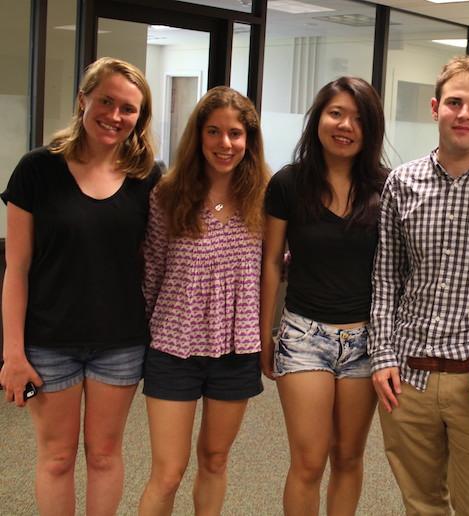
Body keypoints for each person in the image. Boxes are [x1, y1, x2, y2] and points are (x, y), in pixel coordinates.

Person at [0, 57, 158, 515]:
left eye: (128, 109)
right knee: (56, 458)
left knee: (105, 456)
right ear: (83, 100)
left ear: (139, 117)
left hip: (121, 342)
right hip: (47, 342)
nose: (114, 116)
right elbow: (17, 268)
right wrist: (12, 353)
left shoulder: (148, 176)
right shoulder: (37, 169)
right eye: (105, 101)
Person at [369, 55, 469, 516]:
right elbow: (385, 278)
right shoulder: (401, 182)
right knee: (421, 504)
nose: (464, 114)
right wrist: (381, 356)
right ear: (435, 107)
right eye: (454, 102)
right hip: (407, 378)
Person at [138, 86, 270, 515]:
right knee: (169, 472)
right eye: (213, 132)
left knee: (215, 460)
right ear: (198, 136)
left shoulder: (265, 201)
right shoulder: (167, 194)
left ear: (248, 140)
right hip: (173, 348)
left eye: (235, 133)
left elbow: (280, 264)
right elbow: (152, 270)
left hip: (236, 350)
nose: (225, 144)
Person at [260, 76, 387, 516]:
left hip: (366, 342)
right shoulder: (288, 184)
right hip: (303, 337)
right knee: (309, 461)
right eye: (336, 113)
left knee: (348, 458)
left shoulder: (386, 188)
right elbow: (272, 263)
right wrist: (265, 335)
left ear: (371, 129)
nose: (345, 125)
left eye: (357, 118)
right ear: (319, 118)